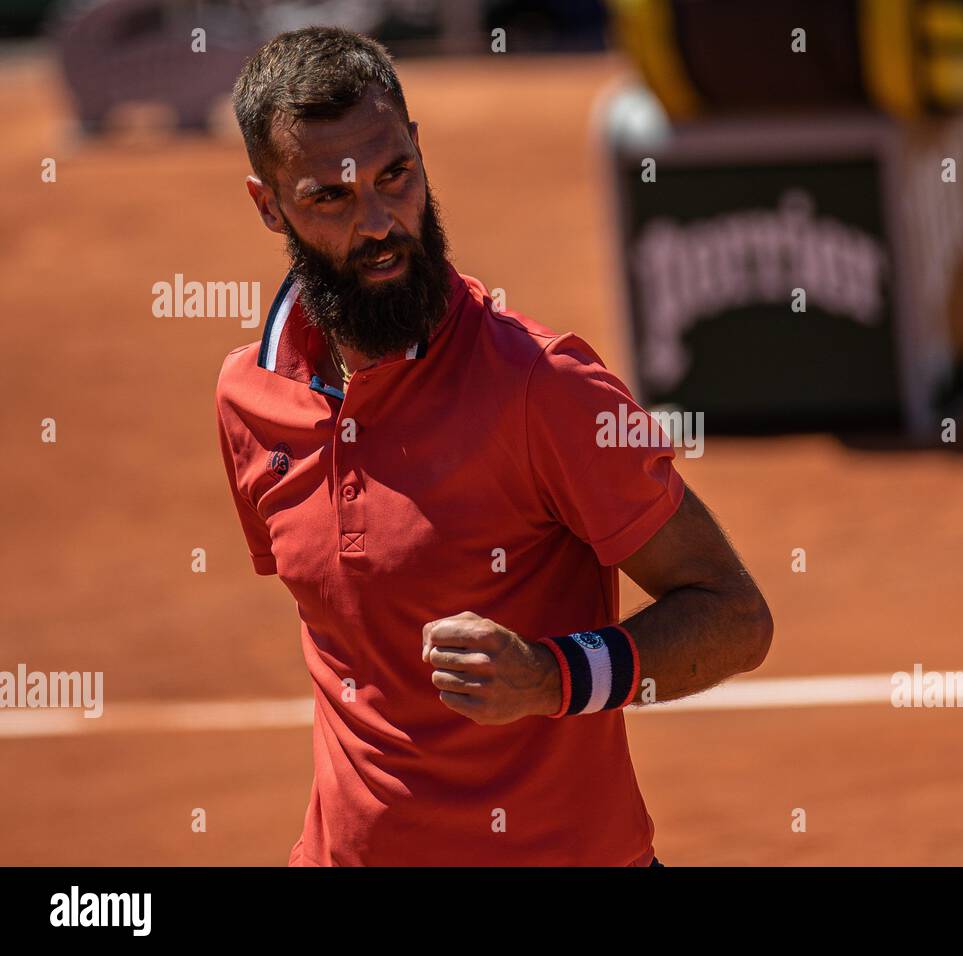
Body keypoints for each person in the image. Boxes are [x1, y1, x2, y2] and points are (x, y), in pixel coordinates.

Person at [215, 26, 773, 866]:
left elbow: (734, 616)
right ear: (268, 206)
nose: (377, 223)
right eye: (329, 197)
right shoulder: (249, 400)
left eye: (394, 175)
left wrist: (553, 678)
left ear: (420, 153)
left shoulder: (541, 387)